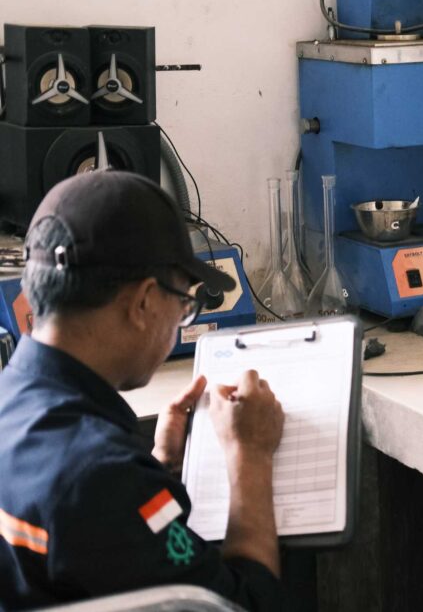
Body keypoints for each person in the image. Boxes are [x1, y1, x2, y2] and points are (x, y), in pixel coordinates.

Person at [0, 171, 285, 610]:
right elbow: (242, 605)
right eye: (185, 304)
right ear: (145, 301)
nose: (180, 320)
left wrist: (157, 466)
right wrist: (252, 455)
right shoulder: (102, 476)